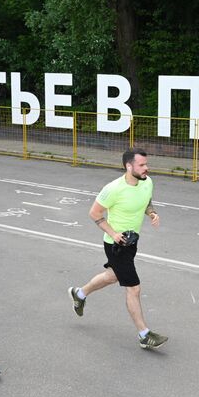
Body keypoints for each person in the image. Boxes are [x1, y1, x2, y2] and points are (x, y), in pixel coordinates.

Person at [68, 147, 167, 349]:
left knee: (112, 276)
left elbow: (146, 201)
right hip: (116, 245)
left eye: (146, 164)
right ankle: (144, 335)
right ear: (128, 166)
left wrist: (152, 213)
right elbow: (94, 213)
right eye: (142, 165)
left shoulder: (147, 182)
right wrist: (113, 234)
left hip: (132, 242)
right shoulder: (113, 189)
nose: (146, 168)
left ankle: (79, 294)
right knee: (134, 287)